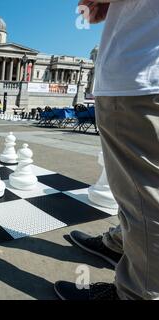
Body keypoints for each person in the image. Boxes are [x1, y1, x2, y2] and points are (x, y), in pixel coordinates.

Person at [54, 0, 159, 300]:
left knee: (145, 201)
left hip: (139, 77)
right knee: (142, 192)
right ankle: (121, 244)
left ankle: (136, 294)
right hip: (144, 75)